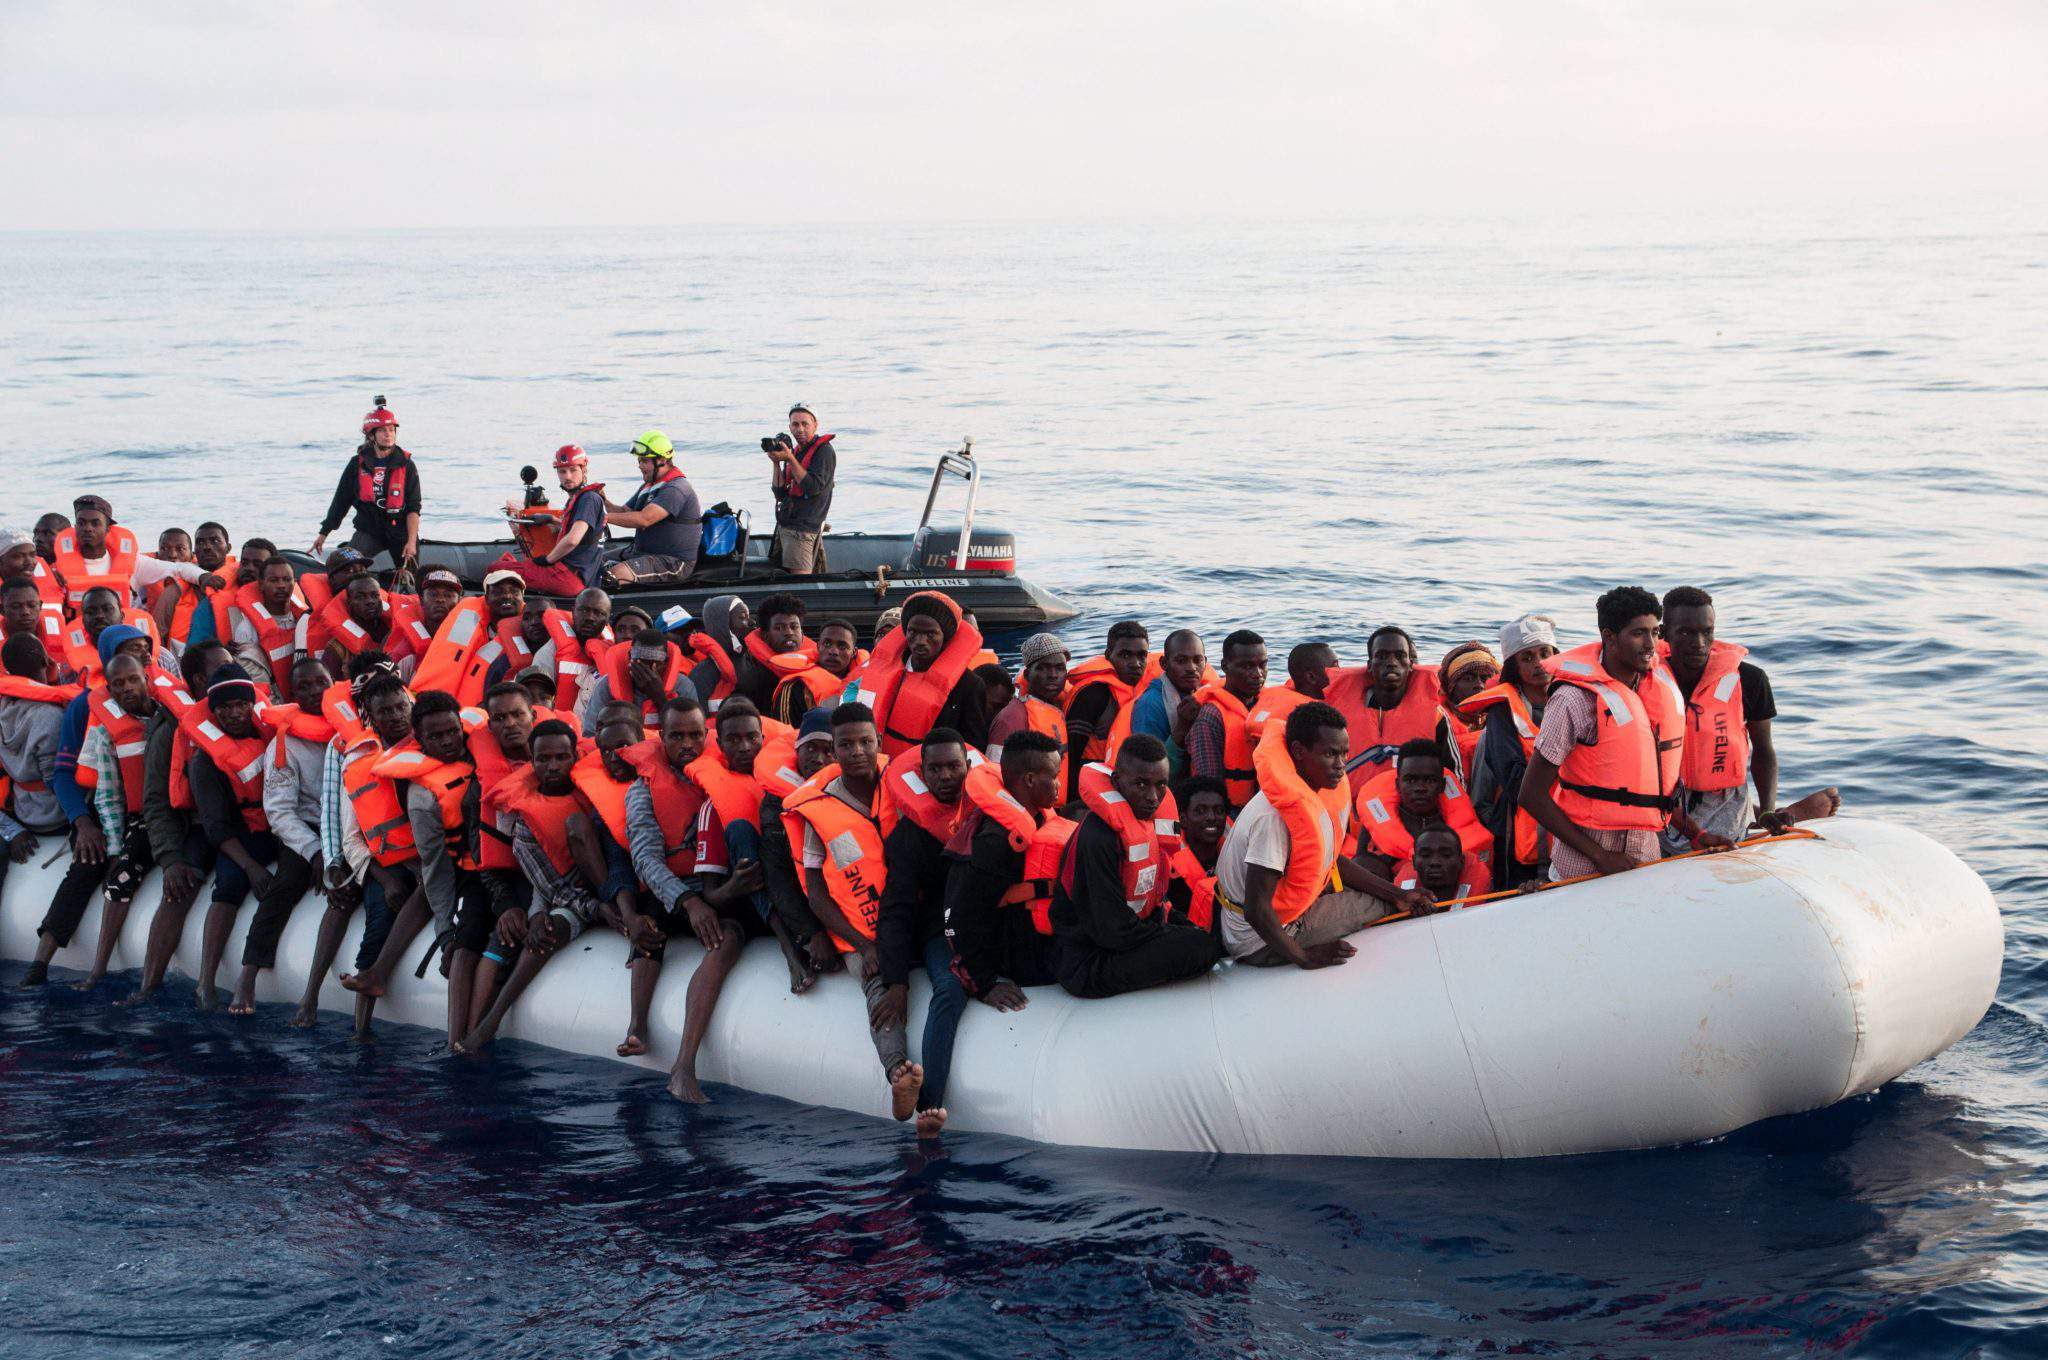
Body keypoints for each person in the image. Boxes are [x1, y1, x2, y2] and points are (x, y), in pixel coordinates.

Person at [781, 702, 933, 1122]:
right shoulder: (819, 811)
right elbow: (816, 894)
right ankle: (897, 1072)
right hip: (860, 932)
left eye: (865, 742)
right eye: (846, 745)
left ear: (879, 742)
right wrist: (864, 947)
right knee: (877, 987)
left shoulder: (902, 786)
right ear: (834, 751)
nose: (857, 752)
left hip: (914, 919)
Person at [1518, 587, 1725, 880]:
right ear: (1610, 637)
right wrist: (1599, 856)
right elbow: (1531, 795)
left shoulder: (1657, 689)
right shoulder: (1572, 700)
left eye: (1655, 632)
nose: (1651, 644)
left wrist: (1696, 834)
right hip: (1583, 869)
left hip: (1645, 857)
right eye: (1638, 633)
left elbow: (1652, 793)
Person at [618, 695, 761, 1101]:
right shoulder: (642, 791)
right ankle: (639, 1026)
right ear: (661, 737)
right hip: (674, 891)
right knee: (649, 930)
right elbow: (645, 859)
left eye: (696, 735)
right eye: (676, 736)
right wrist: (688, 902)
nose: (687, 744)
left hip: (717, 884)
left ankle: (684, 1065)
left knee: (726, 938)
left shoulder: (722, 772)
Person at [1216, 703, 1433, 968]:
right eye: (1330, 754)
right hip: (1257, 941)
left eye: (1344, 754)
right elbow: (1256, 910)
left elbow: (1329, 858)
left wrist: (1398, 893)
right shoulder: (1273, 819)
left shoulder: (1307, 793)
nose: (1341, 765)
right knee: (1378, 904)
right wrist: (1304, 957)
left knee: (1390, 895)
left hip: (1276, 918)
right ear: (1298, 751)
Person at [457, 720, 607, 1054]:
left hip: (608, 891)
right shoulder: (523, 824)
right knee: (542, 934)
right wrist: (542, 913)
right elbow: (548, 885)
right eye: (544, 759)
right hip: (571, 898)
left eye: (561, 757)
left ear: (574, 757)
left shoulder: (595, 793)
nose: (553, 766)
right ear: (532, 761)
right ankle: (488, 1023)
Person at [354, 688, 484, 1043]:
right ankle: (457, 1040)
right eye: (435, 737)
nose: (447, 741)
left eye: (452, 731)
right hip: (464, 869)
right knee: (443, 913)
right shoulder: (422, 796)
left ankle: (378, 973)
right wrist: (445, 935)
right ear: (420, 740)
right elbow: (437, 869)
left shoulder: (483, 747)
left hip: (503, 858)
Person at [18, 645, 153, 988]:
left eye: (133, 679)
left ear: (147, 673)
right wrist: (92, 830)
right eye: (118, 682)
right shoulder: (94, 718)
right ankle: (41, 962)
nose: (126, 688)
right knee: (86, 863)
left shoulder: (167, 711)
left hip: (158, 813)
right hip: (110, 810)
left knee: (121, 862)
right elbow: (104, 794)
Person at [1048, 735, 1218, 997]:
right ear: (1117, 781)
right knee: (1203, 948)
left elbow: (1154, 902)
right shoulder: (1098, 838)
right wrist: (1170, 934)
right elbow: (1111, 930)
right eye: (1141, 784)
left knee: (1204, 937)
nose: (1153, 797)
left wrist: (1176, 926)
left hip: (1128, 936)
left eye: (1161, 785)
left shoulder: (1147, 821)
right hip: (1090, 960)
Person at [871, 728, 976, 1134]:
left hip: (988, 927)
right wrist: (896, 981)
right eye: (935, 769)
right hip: (938, 931)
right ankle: (929, 1107)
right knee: (949, 990)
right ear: (923, 774)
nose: (945, 776)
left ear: (968, 767)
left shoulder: (988, 816)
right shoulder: (909, 837)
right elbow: (895, 911)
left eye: (953, 766)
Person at [115, 639, 230, 1007]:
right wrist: (170, 860)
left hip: (243, 824)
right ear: (198, 681)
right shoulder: (169, 731)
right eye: (220, 669)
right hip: (198, 827)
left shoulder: (245, 712)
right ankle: (148, 986)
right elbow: (156, 802)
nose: (232, 672)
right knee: (179, 889)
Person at [228, 656, 336, 1015]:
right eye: (304, 687)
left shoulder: (352, 727)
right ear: (292, 696)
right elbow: (280, 812)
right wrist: (315, 851)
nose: (315, 691)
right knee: (286, 884)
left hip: (350, 827)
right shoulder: (285, 744)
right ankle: (248, 975)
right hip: (306, 829)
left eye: (321, 683)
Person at [175, 664, 283, 1012]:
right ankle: (206, 982)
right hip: (239, 836)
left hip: (279, 826)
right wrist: (251, 868)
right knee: (228, 886)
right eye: (224, 707)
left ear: (252, 705)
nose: (234, 713)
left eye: (241, 704)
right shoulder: (205, 762)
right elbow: (216, 827)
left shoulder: (273, 736)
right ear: (214, 711)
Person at [943, 728, 1068, 1015]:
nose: (1059, 784)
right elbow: (961, 915)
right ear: (1030, 780)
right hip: (1017, 957)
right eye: (1054, 776)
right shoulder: (997, 842)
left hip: (1039, 937)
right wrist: (985, 985)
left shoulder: (1037, 816)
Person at [1659, 587, 1788, 848]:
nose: (1699, 643)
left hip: (1728, 810)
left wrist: (1767, 810)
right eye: (1686, 632)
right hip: (1664, 811)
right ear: (1664, 633)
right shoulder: (1647, 682)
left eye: (1707, 632)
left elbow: (1764, 749)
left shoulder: (1750, 679)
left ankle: (1762, 816)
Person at [1462, 613, 1557, 889]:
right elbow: (1515, 782)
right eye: (1527, 658)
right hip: (1517, 830)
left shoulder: (1573, 697)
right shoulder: (1502, 712)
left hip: (1571, 825)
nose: (1539, 663)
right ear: (1514, 666)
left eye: (1545, 653)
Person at [856, 591, 990, 755]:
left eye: (930, 634)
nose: (920, 641)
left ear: (945, 636)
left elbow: (974, 747)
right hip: (880, 763)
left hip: (935, 768)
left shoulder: (969, 685)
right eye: (913, 631)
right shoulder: (881, 671)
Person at [1325, 625, 1457, 788]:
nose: (1392, 663)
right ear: (1370, 665)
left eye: (1400, 656)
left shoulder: (1436, 716)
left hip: (1414, 802)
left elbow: (1453, 777)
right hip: (1352, 802)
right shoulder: (1335, 716)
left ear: (1410, 664)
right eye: (1382, 656)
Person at [762, 707, 837, 992]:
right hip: (804, 904)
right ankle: (793, 951)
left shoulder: (857, 791)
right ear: (797, 750)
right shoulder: (775, 804)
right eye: (810, 748)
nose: (818, 758)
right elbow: (778, 877)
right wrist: (812, 934)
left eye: (828, 750)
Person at [52, 495, 224, 615]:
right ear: (75, 527)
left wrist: (203, 577)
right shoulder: (58, 568)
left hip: (123, 639)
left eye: (95, 523)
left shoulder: (134, 563)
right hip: (81, 637)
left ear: (108, 529)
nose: (88, 528)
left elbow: (179, 568)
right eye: (81, 523)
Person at [1352, 738, 1493, 874]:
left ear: (1442, 785)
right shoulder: (1373, 828)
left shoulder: (1461, 824)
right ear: (1398, 785)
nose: (1420, 788)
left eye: (1429, 780)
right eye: (1411, 780)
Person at [314, 397, 421, 572]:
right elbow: (341, 501)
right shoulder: (356, 464)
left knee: (409, 574)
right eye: (383, 430)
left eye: (391, 430)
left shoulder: (407, 465)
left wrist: (411, 542)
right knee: (348, 565)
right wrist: (324, 533)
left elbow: (414, 508)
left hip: (400, 531)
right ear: (371, 435)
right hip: (369, 530)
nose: (388, 434)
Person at [491, 444, 608, 595]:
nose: (567, 476)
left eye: (573, 470)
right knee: (509, 560)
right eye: (562, 471)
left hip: (567, 577)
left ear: (584, 469)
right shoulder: (584, 497)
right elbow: (580, 531)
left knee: (496, 568)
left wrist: (547, 560)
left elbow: (573, 539)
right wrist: (551, 519)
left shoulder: (588, 499)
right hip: (577, 575)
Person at [602, 430, 701, 586]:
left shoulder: (676, 488)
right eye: (639, 461)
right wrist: (603, 500)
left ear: (662, 460)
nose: (639, 466)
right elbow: (625, 513)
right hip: (641, 553)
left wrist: (603, 518)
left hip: (673, 562)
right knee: (594, 561)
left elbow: (644, 519)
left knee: (614, 574)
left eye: (644, 461)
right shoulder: (649, 486)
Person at [1187, 629, 1270, 811]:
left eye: (1263, 665)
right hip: (1231, 812)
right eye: (1247, 666)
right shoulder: (1210, 717)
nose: (1258, 674)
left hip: (1267, 803)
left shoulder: (1268, 705)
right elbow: (1209, 786)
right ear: (1225, 666)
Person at [987, 632, 1069, 790]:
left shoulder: (1063, 706)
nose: (1053, 675)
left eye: (1060, 668)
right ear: (1027, 674)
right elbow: (994, 775)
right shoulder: (1011, 717)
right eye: (1043, 668)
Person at [1123, 629, 1212, 775]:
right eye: (1181, 661)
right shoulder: (1150, 705)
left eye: (1197, 660)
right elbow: (1148, 772)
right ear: (1164, 663)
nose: (1191, 668)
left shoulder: (1206, 694)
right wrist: (1181, 728)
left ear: (1205, 662)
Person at [767, 401, 835, 574]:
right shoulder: (796, 452)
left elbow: (812, 488)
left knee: (800, 581)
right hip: (786, 526)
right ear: (789, 427)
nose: (800, 429)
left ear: (815, 425)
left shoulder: (824, 452)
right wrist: (776, 463)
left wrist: (789, 458)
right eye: (795, 424)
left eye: (805, 424)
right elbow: (780, 493)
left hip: (803, 530)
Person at [582, 628, 695, 731]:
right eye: (640, 663)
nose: (647, 671)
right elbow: (590, 733)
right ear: (629, 657)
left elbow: (690, 733)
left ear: (666, 662)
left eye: (655, 664)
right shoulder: (607, 685)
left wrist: (660, 698)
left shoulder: (683, 686)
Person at [223, 555, 308, 690]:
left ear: (295, 582)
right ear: (261, 584)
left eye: (287, 580)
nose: (281, 585)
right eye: (274, 580)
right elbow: (253, 676)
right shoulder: (247, 630)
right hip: (273, 693)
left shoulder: (306, 620)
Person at [529, 586, 612, 713]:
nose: (590, 617)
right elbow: (537, 705)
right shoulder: (548, 653)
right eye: (584, 610)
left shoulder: (613, 653)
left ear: (607, 620)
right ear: (573, 612)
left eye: (598, 613)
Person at [771, 617, 863, 726]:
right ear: (818, 646)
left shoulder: (867, 685)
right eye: (827, 644)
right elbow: (787, 733)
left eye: (842, 646)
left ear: (854, 652)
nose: (833, 651)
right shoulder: (794, 687)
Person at [1167, 774, 1229, 929]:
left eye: (1219, 810)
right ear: (1183, 819)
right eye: (1201, 811)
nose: (1211, 817)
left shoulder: (1238, 857)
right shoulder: (1169, 873)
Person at [736, 592, 814, 710]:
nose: (789, 633)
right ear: (765, 636)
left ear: (802, 633)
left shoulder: (822, 667)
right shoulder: (751, 679)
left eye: (794, 627)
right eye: (779, 628)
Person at [1439, 641, 1500, 775]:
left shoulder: (1504, 717)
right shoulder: (1439, 721)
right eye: (1468, 678)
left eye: (1485, 678)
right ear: (1451, 686)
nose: (1479, 685)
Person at [1396, 822, 1493, 904]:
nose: (1435, 862)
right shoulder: (1395, 904)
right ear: (1414, 862)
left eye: (1446, 855)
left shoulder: (1491, 904)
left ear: (1461, 861)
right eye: (1426, 855)